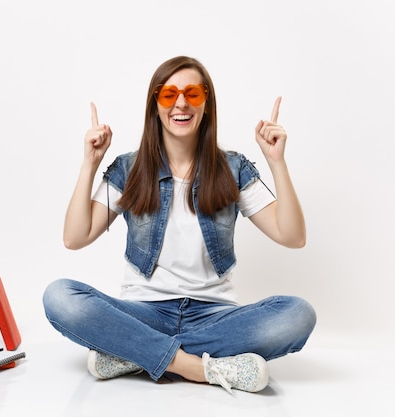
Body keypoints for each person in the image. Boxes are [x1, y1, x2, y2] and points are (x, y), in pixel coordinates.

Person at [42, 56, 316, 394]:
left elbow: (293, 236)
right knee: (60, 296)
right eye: (169, 94)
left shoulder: (233, 169)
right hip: (143, 312)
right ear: (155, 105)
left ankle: (135, 353)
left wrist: (277, 162)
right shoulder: (129, 169)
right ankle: (197, 367)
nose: (181, 103)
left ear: (206, 105)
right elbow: (75, 237)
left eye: (192, 94)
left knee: (298, 314)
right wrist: (89, 164)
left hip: (214, 316)